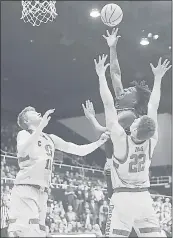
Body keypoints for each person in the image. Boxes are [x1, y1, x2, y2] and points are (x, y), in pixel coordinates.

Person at [94, 54, 171, 237]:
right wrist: (159, 79)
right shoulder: (152, 140)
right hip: (143, 194)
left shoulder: (122, 138)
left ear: (133, 129)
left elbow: (107, 103)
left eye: (133, 124)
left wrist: (99, 76)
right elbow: (154, 105)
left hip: (122, 193)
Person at [8, 107, 110, 237]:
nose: (39, 112)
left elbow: (78, 150)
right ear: (27, 120)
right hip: (26, 188)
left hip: (42, 192)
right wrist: (39, 128)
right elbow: (22, 150)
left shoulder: (50, 138)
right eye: (33, 113)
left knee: (39, 232)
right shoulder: (24, 134)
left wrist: (99, 142)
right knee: (27, 232)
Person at [82, 28, 151, 199]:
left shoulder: (129, 115)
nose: (124, 89)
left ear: (134, 101)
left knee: (117, 209)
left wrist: (91, 119)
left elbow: (104, 131)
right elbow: (115, 73)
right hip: (116, 164)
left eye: (129, 90)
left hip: (120, 167)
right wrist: (112, 48)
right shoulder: (124, 105)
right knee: (118, 211)